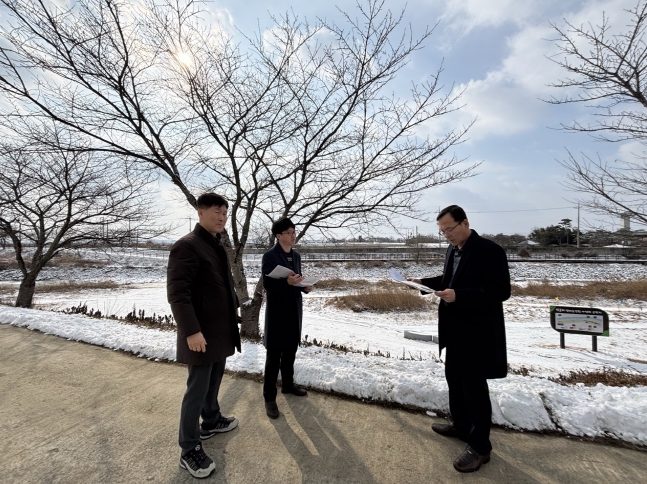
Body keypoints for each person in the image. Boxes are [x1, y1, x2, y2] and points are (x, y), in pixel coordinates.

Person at [408, 205, 510, 473]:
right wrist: (422, 283)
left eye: (449, 229)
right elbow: (449, 279)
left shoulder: (490, 250)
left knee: (474, 389)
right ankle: (462, 426)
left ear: (465, 223)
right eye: (442, 231)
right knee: (454, 381)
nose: (447, 235)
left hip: (477, 333)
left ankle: (480, 447)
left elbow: (501, 291)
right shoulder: (452, 250)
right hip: (454, 330)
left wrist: (460, 296)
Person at [167, 193, 241, 479]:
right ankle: (189, 449)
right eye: (216, 211)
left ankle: (210, 420)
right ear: (200, 212)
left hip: (220, 331)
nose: (222, 217)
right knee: (196, 390)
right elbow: (178, 294)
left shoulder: (215, 244)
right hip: (200, 334)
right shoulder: (187, 246)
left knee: (214, 381)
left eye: (225, 212)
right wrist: (191, 331)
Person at [261, 217, 313, 419]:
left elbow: (295, 280)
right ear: (278, 235)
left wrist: (304, 286)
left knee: (291, 350)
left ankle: (288, 385)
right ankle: (269, 398)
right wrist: (287, 283)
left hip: (294, 310)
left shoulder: (296, 256)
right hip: (277, 312)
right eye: (289, 232)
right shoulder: (270, 256)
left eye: (294, 232)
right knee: (274, 356)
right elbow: (268, 285)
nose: (293, 235)